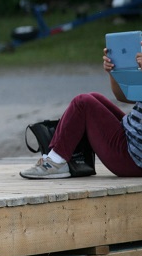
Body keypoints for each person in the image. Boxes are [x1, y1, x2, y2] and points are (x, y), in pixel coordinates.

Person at [19, 42, 142, 179]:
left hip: (132, 159)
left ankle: (55, 162)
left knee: (82, 102)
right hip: (133, 143)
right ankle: (55, 155)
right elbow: (124, 96)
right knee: (94, 98)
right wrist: (113, 72)